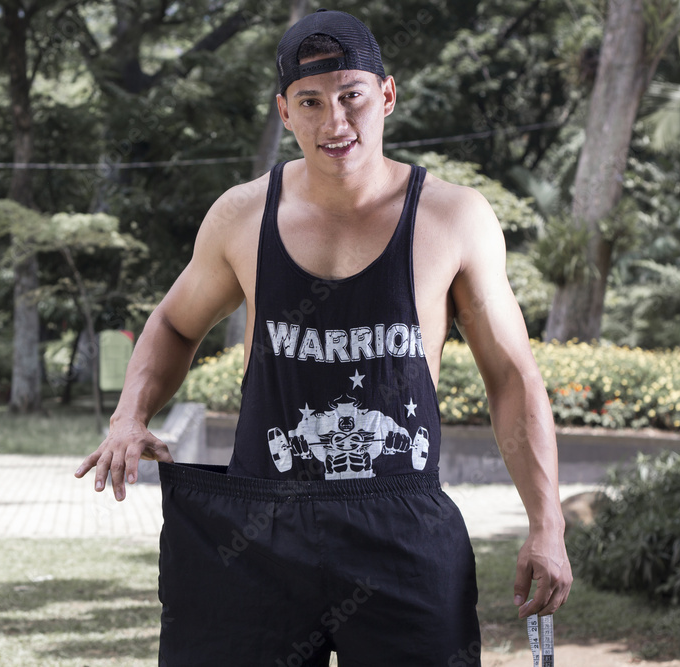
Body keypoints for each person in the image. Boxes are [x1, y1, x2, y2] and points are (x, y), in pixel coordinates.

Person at [75, 8, 572, 665]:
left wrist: (546, 523)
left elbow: (511, 377)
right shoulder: (241, 215)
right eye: (310, 101)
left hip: (401, 524)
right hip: (260, 528)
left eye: (351, 96)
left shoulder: (453, 218)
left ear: (386, 95)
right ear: (285, 112)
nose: (334, 122)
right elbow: (173, 322)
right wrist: (129, 416)